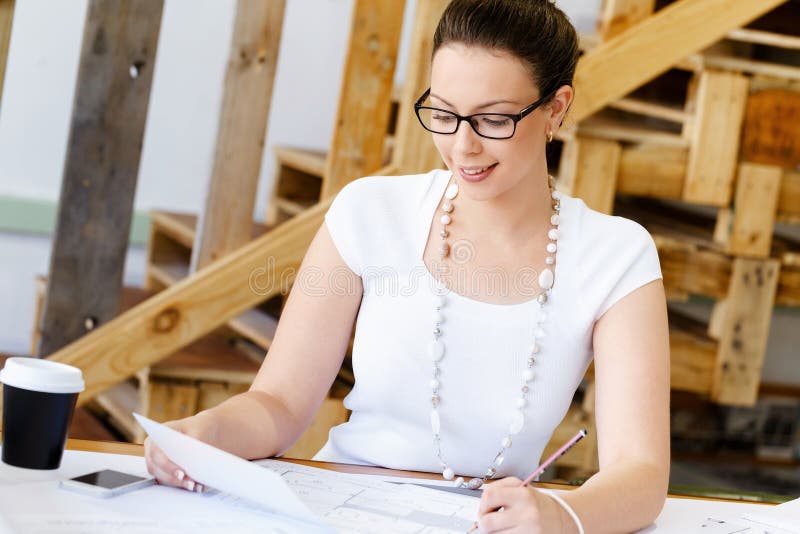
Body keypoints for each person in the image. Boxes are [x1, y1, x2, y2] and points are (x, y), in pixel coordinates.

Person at [145, 0, 670, 531]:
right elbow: (279, 403)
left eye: (493, 119)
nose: (462, 146)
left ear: (556, 109)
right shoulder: (369, 212)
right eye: (443, 114)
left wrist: (560, 515)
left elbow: (641, 472)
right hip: (336, 513)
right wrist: (208, 434)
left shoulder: (615, 256)